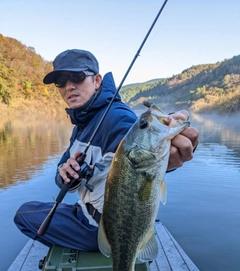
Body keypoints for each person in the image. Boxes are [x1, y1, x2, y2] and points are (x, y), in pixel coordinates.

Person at [14, 49, 198, 251]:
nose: (69, 86)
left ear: (97, 81)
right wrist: (66, 174)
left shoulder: (116, 116)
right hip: (85, 211)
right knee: (28, 212)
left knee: (23, 216)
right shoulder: (80, 126)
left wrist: (167, 137)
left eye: (77, 76)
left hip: (105, 227)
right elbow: (61, 174)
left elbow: (138, 142)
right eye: (61, 81)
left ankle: (99, 248)